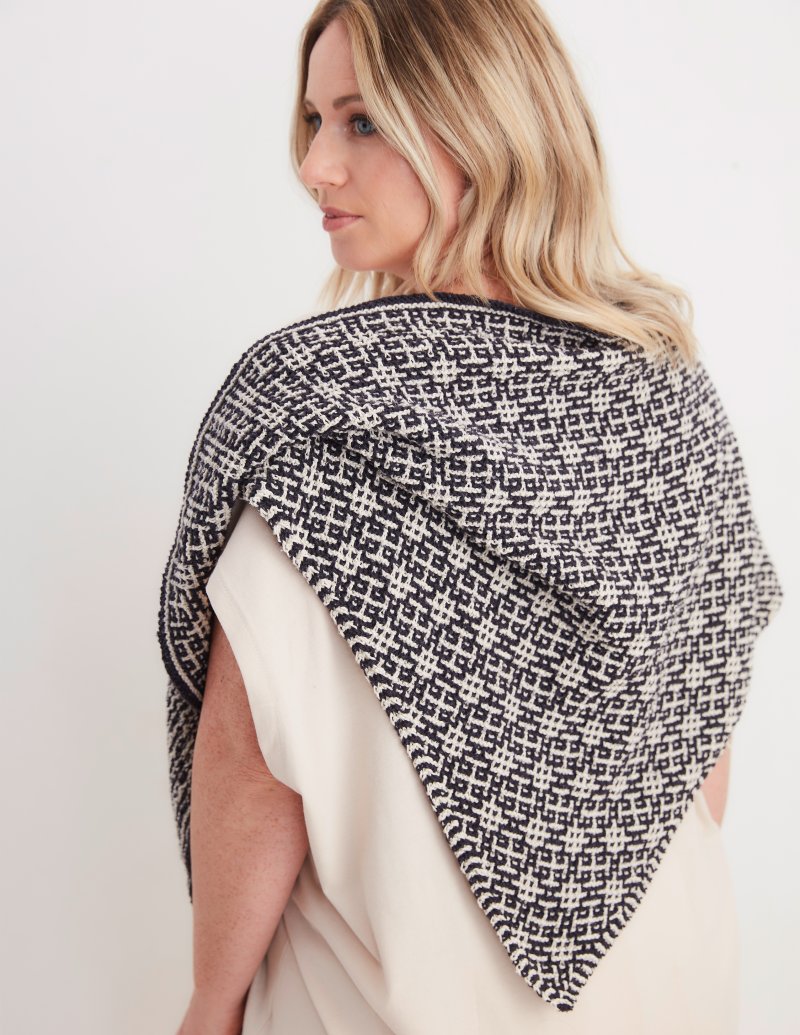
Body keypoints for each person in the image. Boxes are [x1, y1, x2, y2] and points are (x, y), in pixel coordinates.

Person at [165, 2, 780, 1032]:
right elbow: (696, 740)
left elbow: (247, 757)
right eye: (313, 121)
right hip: (669, 972)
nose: (315, 166)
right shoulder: (664, 395)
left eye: (361, 120)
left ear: (478, 123)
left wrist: (211, 1001)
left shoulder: (313, 406)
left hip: (389, 991)